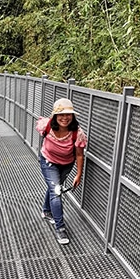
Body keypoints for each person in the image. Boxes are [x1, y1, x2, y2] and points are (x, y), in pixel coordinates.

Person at [35, 98, 87, 245]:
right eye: (61, 115)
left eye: (68, 114)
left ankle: (46, 211)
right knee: (56, 191)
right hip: (48, 161)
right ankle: (60, 227)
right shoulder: (47, 126)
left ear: (73, 116)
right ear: (55, 116)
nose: (65, 118)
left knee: (54, 189)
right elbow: (39, 127)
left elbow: (79, 154)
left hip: (66, 164)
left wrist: (78, 174)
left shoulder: (78, 133)